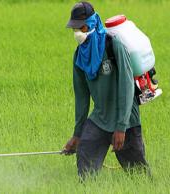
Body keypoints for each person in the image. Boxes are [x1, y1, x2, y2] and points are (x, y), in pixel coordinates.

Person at [63, 1, 150, 179]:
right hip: (100, 117)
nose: (77, 32)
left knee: (138, 172)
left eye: (81, 27)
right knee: (85, 158)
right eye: (75, 29)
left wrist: (121, 127)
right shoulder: (79, 55)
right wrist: (77, 135)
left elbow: (127, 87)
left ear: (93, 23)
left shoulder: (113, 46)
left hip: (125, 117)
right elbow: (81, 97)